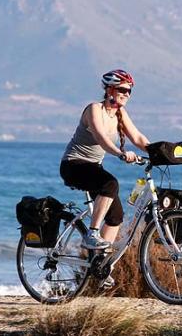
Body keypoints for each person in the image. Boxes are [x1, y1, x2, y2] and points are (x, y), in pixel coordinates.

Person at [60, 69, 150, 255]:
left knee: (116, 217)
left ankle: (98, 263)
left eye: (129, 91)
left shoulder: (120, 113)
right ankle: (92, 234)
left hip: (93, 167)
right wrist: (120, 153)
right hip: (73, 165)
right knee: (110, 184)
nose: (127, 94)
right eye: (122, 90)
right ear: (109, 90)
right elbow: (101, 137)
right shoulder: (94, 109)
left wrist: (159, 152)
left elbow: (138, 137)